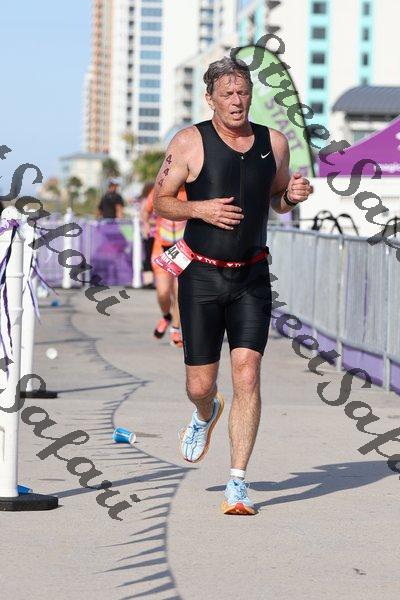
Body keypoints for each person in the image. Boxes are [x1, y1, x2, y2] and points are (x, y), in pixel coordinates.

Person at [153, 56, 312, 515]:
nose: (237, 101)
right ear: (210, 98)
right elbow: (161, 200)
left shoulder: (274, 142)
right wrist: (200, 209)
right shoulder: (189, 142)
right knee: (200, 384)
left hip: (251, 275)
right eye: (227, 93)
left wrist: (291, 197)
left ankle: (237, 483)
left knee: (248, 372)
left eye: (243, 92)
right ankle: (205, 412)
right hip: (201, 276)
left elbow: (278, 199)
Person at [143, 185, 187, 347]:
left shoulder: (191, 189)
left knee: (179, 292)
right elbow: (145, 210)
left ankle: (175, 329)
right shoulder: (160, 189)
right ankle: (166, 316)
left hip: (183, 248)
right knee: (163, 292)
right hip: (161, 247)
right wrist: (145, 224)